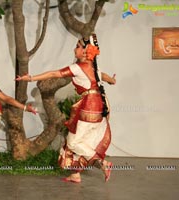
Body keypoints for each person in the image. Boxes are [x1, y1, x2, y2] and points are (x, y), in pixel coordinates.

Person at [16, 34, 116, 183]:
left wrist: (30, 78)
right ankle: (75, 174)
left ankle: (103, 163)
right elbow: (105, 76)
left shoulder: (77, 67)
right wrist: (112, 80)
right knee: (75, 140)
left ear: (85, 51)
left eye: (77, 46)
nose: (74, 49)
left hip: (89, 107)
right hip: (99, 106)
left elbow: (53, 73)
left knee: (73, 143)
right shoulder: (94, 67)